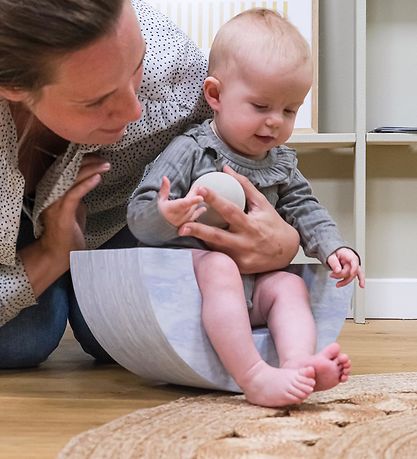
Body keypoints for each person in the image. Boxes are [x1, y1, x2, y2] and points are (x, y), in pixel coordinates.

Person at [0, 0, 301, 369]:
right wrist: (52, 253)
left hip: (120, 217)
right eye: (97, 100)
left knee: (114, 338)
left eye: (136, 65)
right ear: (11, 85)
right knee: (22, 340)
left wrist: (284, 238)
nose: (133, 110)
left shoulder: (172, 65)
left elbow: (252, 142)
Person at [127, 8, 365, 407]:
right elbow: (140, 214)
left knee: (288, 283)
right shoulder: (190, 149)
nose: (275, 123)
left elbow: (306, 208)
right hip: (198, 286)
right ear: (215, 95)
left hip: (255, 283)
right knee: (219, 265)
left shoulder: (281, 162)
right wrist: (165, 215)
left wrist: (335, 247)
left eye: (289, 110)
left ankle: (297, 366)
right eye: (261, 107)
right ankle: (253, 375)